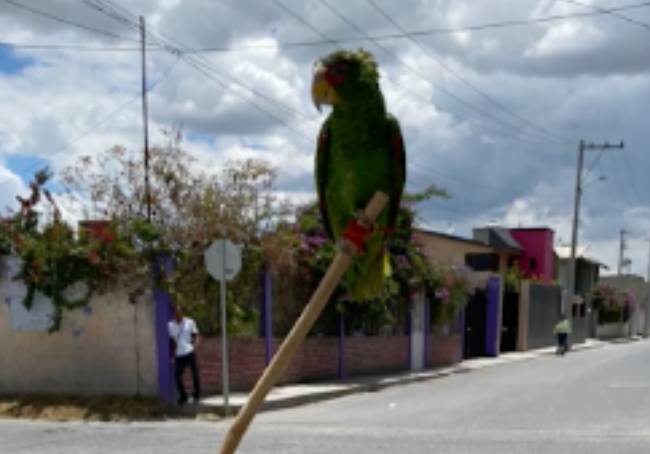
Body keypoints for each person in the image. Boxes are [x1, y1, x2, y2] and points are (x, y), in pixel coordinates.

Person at [168, 304, 201, 405]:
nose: (178, 314)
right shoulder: (170, 325)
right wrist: (172, 355)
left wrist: (195, 347)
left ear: (182, 313)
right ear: (173, 314)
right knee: (177, 376)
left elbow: (196, 335)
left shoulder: (189, 322)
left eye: (179, 312)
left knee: (195, 374)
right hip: (179, 354)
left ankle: (196, 395)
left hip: (189, 352)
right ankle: (183, 396)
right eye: (176, 313)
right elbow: (171, 341)